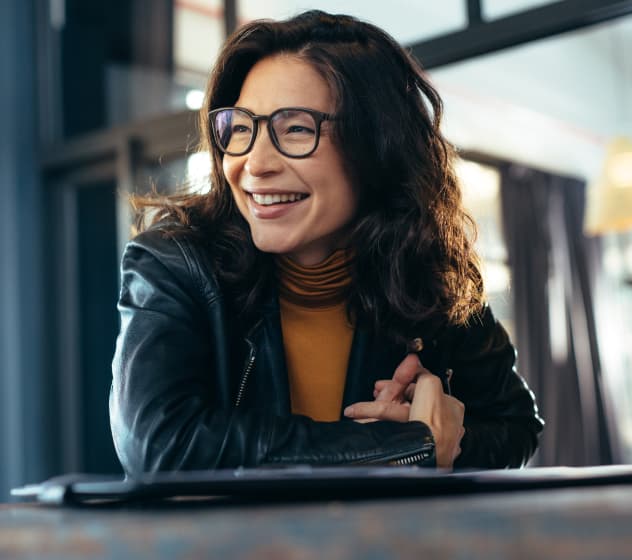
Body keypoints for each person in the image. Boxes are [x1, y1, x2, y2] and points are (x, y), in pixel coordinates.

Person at [110, 10, 543, 476]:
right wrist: (406, 445)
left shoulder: (426, 270)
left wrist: (451, 439)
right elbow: (158, 444)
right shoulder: (174, 264)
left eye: (295, 128)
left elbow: (516, 424)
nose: (254, 164)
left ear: (377, 145)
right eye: (240, 128)